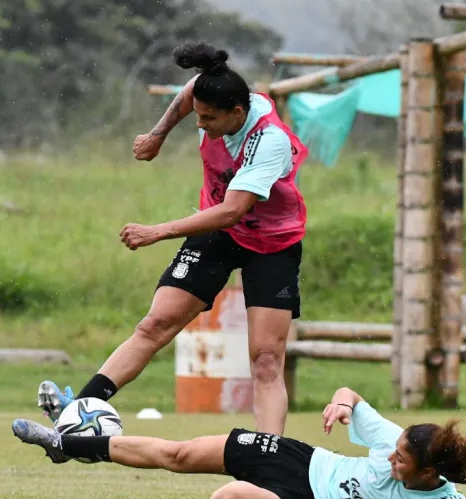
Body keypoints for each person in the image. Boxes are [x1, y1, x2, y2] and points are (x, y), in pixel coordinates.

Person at [37, 41, 309, 437]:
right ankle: (72, 418)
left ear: (237, 112)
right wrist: (158, 134)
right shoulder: (211, 93)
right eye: (198, 115)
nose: (200, 125)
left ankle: (269, 460)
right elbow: (188, 94)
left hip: (272, 242)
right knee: (155, 324)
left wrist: (157, 231)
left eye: (209, 119)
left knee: (266, 360)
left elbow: (233, 210)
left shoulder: (269, 141)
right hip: (216, 231)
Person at [12, 386, 466, 499]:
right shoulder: (394, 440)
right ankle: (65, 442)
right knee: (178, 455)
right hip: (304, 458)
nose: (389, 457)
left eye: (400, 460)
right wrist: (342, 403)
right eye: (394, 449)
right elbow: (352, 396)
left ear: (427, 473)